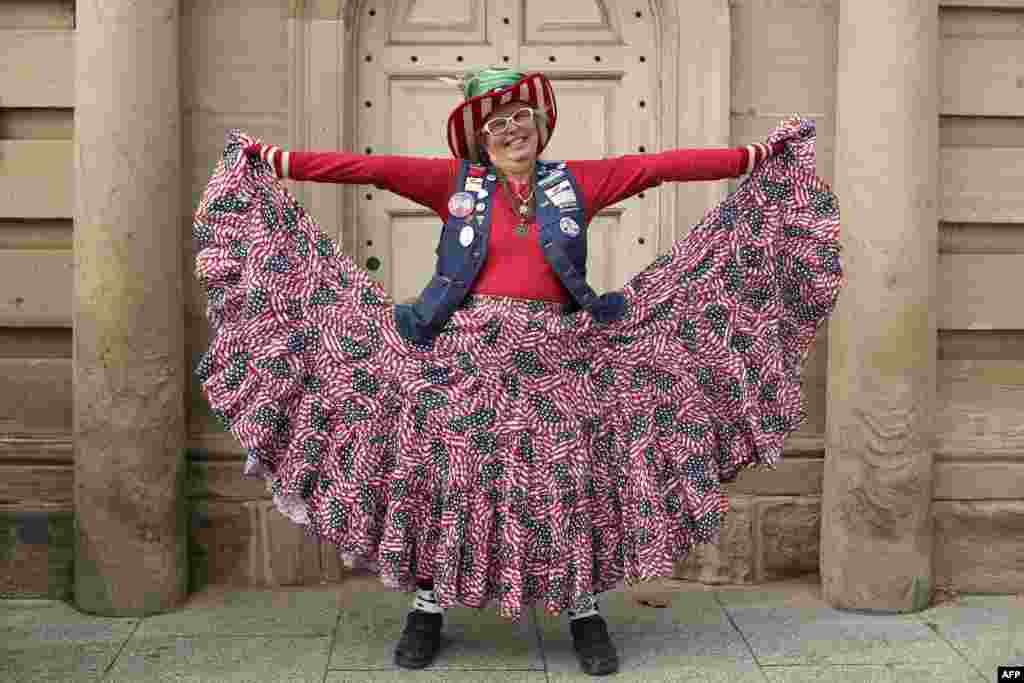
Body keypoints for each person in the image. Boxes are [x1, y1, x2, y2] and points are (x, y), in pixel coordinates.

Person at [192, 67, 845, 677]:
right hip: (462, 363)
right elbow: (370, 169)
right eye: (497, 122)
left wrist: (756, 158)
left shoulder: (576, 183)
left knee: (566, 484)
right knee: (444, 479)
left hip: (559, 364)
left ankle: (583, 612)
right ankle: (428, 607)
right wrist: (274, 161)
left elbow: (660, 168)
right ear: (481, 136)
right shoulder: (457, 186)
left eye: (521, 116)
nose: (511, 129)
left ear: (540, 123)